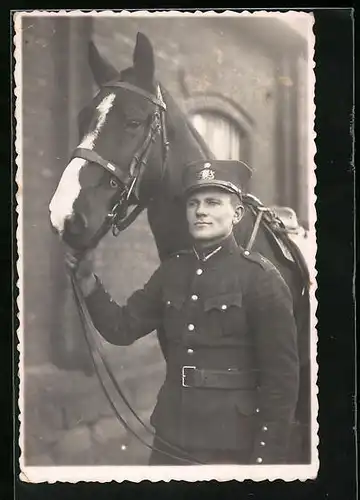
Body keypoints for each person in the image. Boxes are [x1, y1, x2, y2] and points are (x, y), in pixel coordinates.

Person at [66, 159, 300, 465]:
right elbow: (121, 328)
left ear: (237, 214)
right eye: (194, 203)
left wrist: (266, 456)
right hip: (171, 436)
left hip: (232, 441)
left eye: (213, 202)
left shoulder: (261, 279)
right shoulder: (172, 271)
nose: (201, 211)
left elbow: (281, 378)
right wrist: (87, 281)